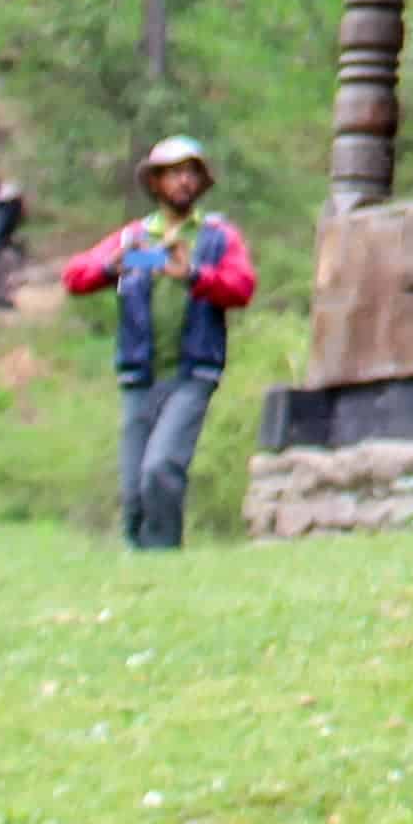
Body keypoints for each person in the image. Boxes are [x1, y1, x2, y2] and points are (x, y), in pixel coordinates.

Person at [57, 136, 255, 551]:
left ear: (202, 183)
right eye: (174, 173)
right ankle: (139, 567)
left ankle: (163, 561)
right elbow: (75, 277)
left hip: (193, 372)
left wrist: (194, 275)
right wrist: (109, 267)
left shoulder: (217, 237)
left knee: (161, 467)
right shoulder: (137, 237)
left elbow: (242, 287)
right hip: (140, 373)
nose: (183, 181)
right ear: (156, 182)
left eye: (191, 173)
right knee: (133, 489)